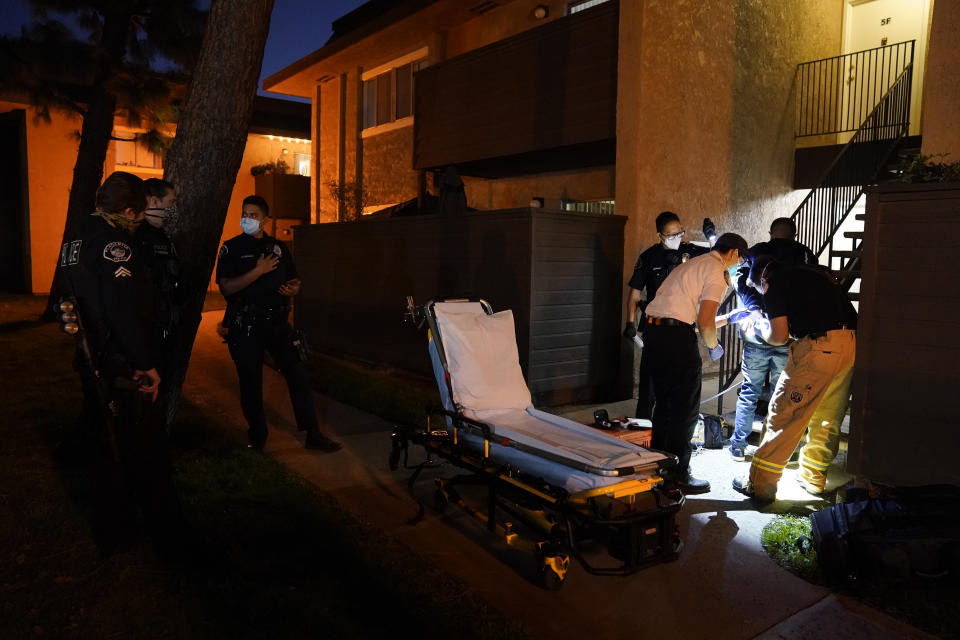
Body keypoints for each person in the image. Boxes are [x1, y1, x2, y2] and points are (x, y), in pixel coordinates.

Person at [61, 171, 180, 555]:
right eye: (140, 214)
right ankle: (132, 526)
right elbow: (122, 310)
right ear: (128, 210)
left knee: (104, 442)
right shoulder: (116, 244)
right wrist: (146, 364)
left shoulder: (77, 237)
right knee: (133, 446)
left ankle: (115, 523)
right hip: (120, 362)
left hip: (92, 355)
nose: (141, 221)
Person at [216, 195, 341, 453]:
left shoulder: (279, 248)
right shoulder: (232, 248)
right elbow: (227, 288)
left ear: (266, 220)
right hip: (247, 325)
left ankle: (313, 433)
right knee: (251, 382)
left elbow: (295, 280)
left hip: (278, 324)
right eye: (245, 214)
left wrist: (293, 289)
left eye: (253, 215)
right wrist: (257, 271)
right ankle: (258, 436)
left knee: (298, 377)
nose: (247, 219)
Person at [732, 255, 857, 503]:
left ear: (763, 278)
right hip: (851, 345)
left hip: (818, 348)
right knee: (827, 418)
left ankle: (760, 486)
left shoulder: (776, 283)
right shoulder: (812, 273)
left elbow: (778, 336)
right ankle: (813, 479)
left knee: (784, 414)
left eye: (758, 288)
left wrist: (757, 327)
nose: (761, 293)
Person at [642, 232, 749, 494]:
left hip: (655, 333)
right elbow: (703, 323)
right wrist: (715, 347)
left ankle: (660, 467)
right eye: (740, 260)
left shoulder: (694, 263)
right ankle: (679, 475)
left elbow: (694, 317)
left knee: (665, 404)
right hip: (677, 338)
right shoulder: (716, 271)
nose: (738, 265)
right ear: (734, 253)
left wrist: (730, 317)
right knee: (685, 409)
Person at [728, 217, 818, 461]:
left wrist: (754, 308)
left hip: (756, 335)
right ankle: (781, 447)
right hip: (788, 335)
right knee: (784, 394)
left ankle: (738, 444)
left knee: (750, 390)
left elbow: (737, 277)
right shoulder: (805, 255)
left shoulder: (757, 252)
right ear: (795, 235)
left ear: (770, 233)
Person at [623, 211, 711, 419]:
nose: (676, 239)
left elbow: (718, 254)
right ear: (660, 236)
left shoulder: (691, 252)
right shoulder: (648, 257)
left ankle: (672, 431)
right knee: (650, 385)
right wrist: (630, 322)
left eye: (679, 234)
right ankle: (643, 433)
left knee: (680, 386)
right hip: (655, 327)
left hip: (683, 326)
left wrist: (710, 237)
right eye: (671, 236)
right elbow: (635, 294)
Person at [137, 178, 183, 427]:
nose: (173, 209)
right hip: (148, 332)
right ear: (153, 201)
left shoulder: (163, 238)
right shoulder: (137, 238)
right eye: (170, 203)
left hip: (166, 329)